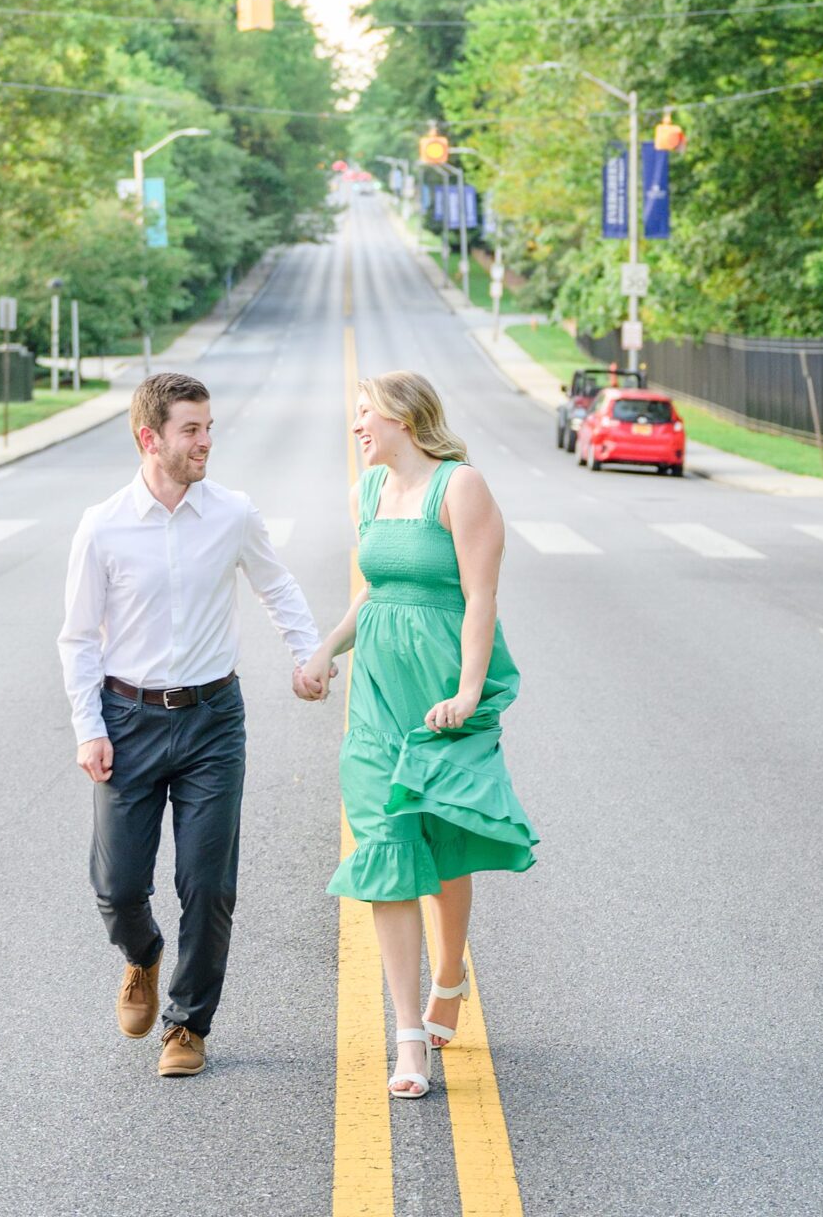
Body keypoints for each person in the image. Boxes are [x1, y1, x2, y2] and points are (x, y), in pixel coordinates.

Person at [58, 369, 325, 1079]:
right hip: (128, 719)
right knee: (117, 888)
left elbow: (276, 585)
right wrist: (90, 727)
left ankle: (187, 1024)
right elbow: (79, 637)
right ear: (150, 438)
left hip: (211, 719)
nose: (206, 441)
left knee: (208, 885)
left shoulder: (231, 514)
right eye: (191, 430)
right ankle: (141, 956)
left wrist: (309, 655)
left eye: (208, 428)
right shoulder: (104, 525)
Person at [302, 369, 536, 1101]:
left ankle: (449, 975)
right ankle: (409, 1037)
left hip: (440, 685)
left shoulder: (459, 488)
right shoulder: (365, 492)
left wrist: (467, 690)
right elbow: (371, 590)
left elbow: (480, 596)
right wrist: (322, 652)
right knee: (385, 845)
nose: (355, 426)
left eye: (365, 413)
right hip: (375, 690)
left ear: (403, 417)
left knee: (442, 838)